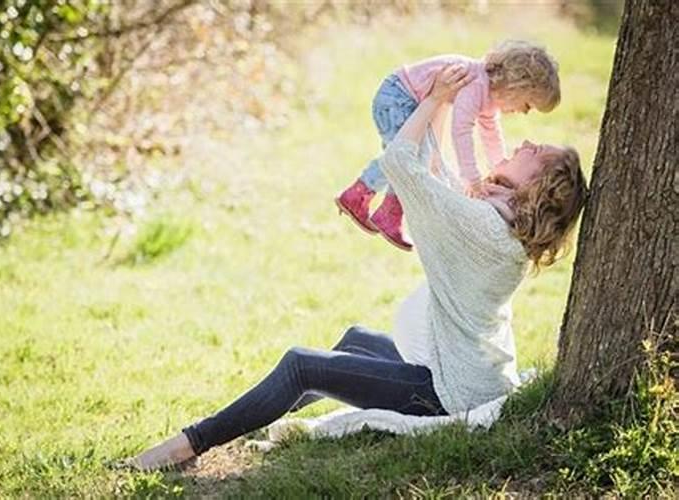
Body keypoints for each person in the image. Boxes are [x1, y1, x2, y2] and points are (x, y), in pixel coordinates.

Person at [121, 65, 587, 472]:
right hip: (470, 373)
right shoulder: (500, 223)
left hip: (449, 391)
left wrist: (433, 98)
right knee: (354, 341)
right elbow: (439, 178)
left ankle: (188, 445)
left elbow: (401, 163)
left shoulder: (482, 226)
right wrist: (441, 105)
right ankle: (249, 420)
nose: (525, 140)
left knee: (302, 364)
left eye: (537, 150)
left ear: (538, 186)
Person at [335, 40, 561, 251]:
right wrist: (471, 178)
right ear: (517, 86)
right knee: (406, 158)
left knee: (410, 158)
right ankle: (366, 198)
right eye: (528, 105)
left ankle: (385, 210)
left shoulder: (488, 96)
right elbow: (461, 131)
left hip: (404, 100)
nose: (523, 112)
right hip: (397, 98)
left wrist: (499, 165)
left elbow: (490, 133)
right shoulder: (476, 83)